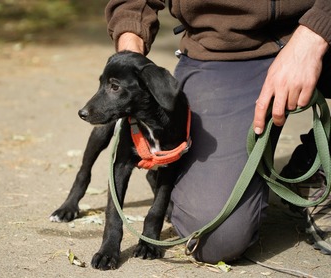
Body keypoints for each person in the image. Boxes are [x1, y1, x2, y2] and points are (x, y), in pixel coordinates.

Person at [105, 0, 331, 263]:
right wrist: (131, 47)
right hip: (226, 48)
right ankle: (307, 170)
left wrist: (314, 34)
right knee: (214, 238)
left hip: (321, 27)